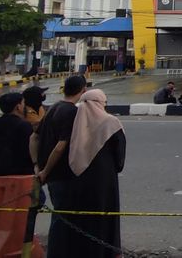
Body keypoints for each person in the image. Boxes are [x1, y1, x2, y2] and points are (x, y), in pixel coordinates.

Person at [30, 75, 87, 258]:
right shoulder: (71, 112)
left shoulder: (54, 108)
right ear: (83, 90)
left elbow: (34, 137)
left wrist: (36, 165)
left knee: (61, 215)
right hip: (62, 174)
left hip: (51, 175)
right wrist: (45, 169)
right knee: (62, 218)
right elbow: (61, 145)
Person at [68, 89, 126, 257]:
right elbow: (120, 158)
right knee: (106, 214)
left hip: (80, 176)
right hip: (105, 177)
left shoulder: (77, 122)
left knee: (85, 216)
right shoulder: (111, 122)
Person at [0, 92, 33, 175]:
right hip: (23, 174)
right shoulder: (24, 126)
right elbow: (31, 151)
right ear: (18, 107)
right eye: (23, 103)